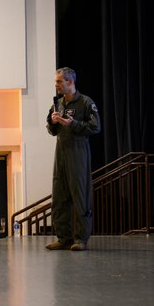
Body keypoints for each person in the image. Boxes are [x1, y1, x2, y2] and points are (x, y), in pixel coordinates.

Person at [45, 67, 101, 251]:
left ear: (70, 82)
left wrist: (73, 124)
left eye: (59, 81)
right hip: (60, 152)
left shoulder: (85, 102)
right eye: (56, 82)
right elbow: (52, 130)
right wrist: (52, 123)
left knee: (80, 196)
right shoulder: (58, 103)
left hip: (78, 152)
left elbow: (95, 127)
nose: (56, 85)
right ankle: (64, 238)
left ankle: (80, 239)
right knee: (59, 197)